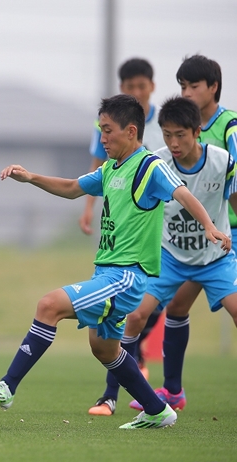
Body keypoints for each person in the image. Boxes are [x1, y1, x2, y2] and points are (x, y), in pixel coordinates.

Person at [0, 94, 231, 429]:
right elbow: (71, 187)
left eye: (107, 130)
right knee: (104, 349)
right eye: (100, 130)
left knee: (49, 305)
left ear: (130, 130)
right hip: (108, 272)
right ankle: (158, 410)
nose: (102, 138)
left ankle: (7, 386)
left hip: (126, 277)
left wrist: (210, 227)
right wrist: (32, 177)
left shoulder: (150, 166)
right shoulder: (111, 169)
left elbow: (182, 193)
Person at [89, 96, 237, 416]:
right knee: (136, 317)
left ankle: (171, 391)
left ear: (197, 132)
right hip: (170, 257)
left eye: (180, 135)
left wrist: (218, 231)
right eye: (167, 134)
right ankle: (110, 396)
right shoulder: (154, 163)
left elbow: (233, 199)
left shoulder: (222, 160)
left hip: (215, 258)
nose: (173, 142)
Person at [80, 58, 165, 384]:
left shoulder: (162, 125)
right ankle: (119, 393)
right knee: (136, 312)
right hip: (130, 227)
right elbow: (96, 169)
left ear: (152, 87)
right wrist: (89, 207)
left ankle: (149, 385)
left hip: (162, 222)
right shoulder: (108, 127)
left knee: (153, 305)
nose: (137, 92)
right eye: (130, 87)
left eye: (141, 86)